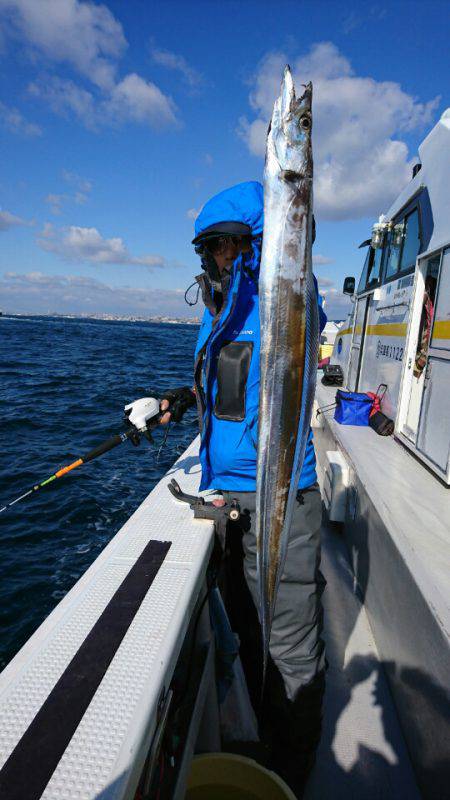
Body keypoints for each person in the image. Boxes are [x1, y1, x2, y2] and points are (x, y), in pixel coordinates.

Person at [160, 181, 327, 796]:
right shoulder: (218, 311)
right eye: (207, 248)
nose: (212, 260)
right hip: (227, 499)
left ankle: (292, 773)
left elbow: (297, 313)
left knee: (290, 651)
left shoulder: (287, 299)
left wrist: (275, 253)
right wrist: (180, 400)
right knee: (249, 635)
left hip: (282, 499)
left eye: (225, 246)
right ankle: (262, 749)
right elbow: (229, 394)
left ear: (254, 245)